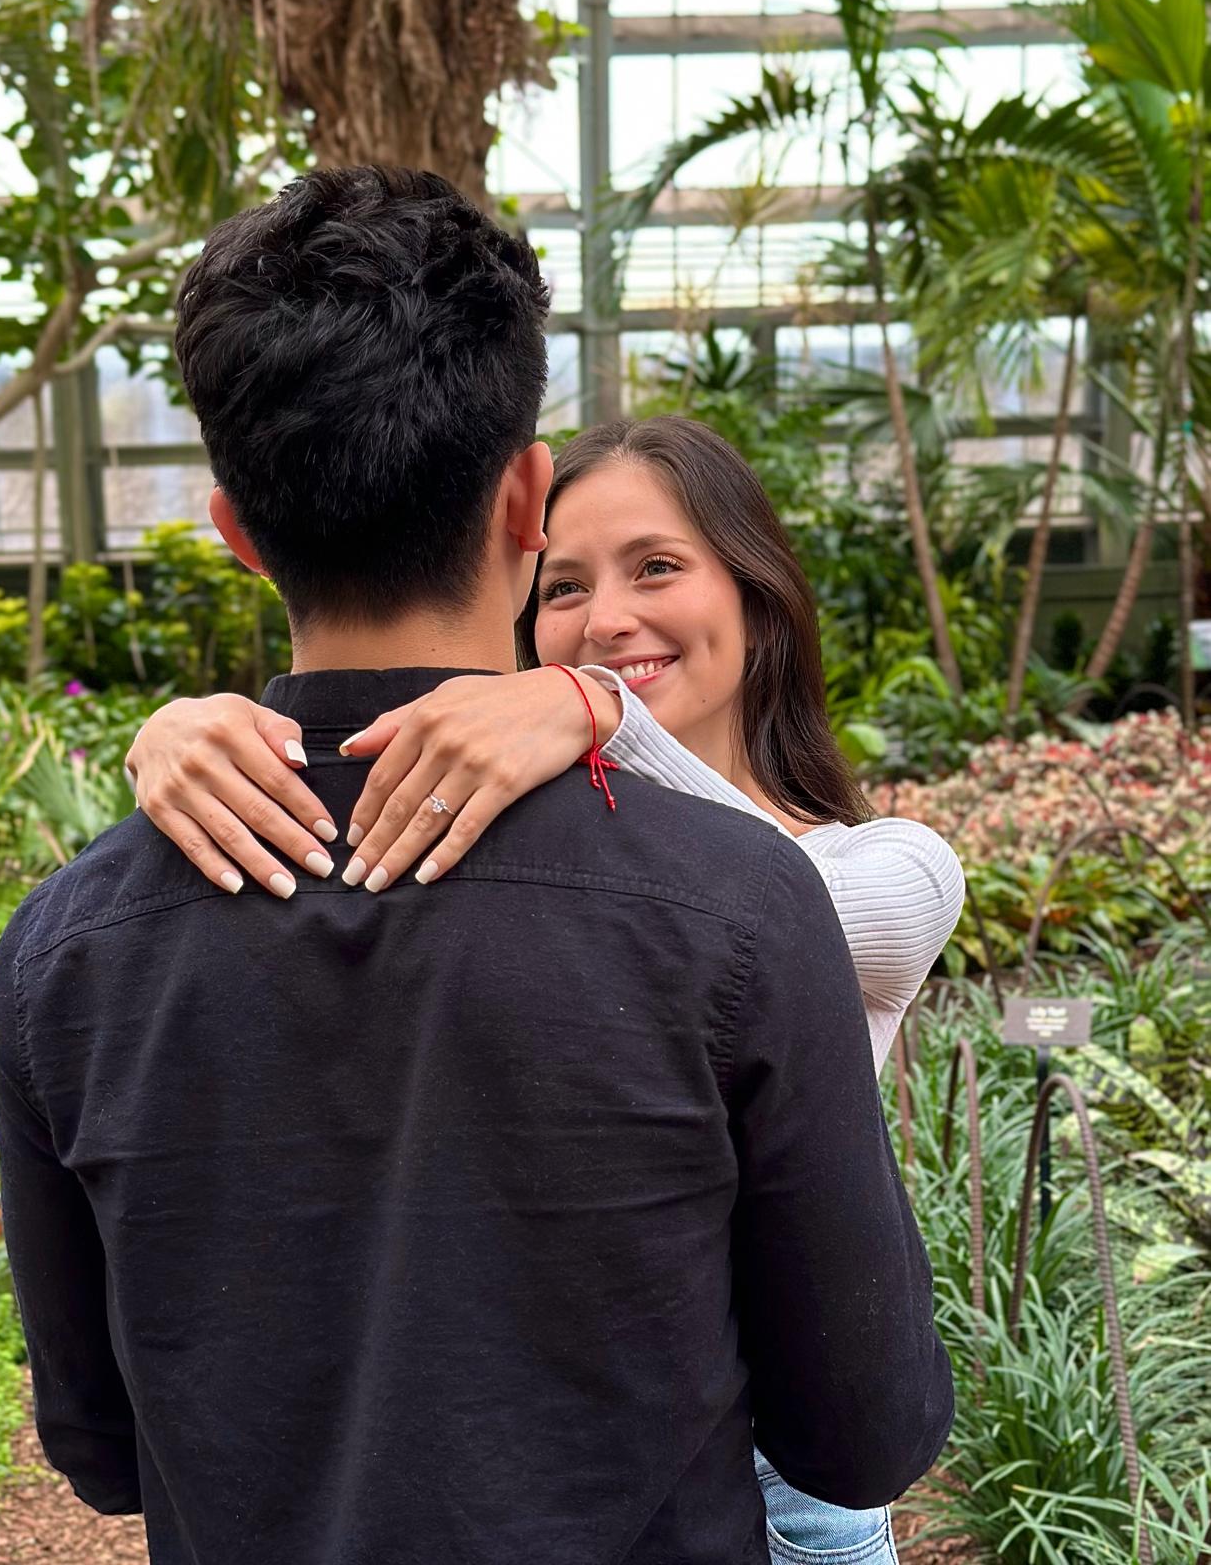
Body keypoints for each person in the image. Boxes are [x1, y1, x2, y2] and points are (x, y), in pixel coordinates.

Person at [0, 165, 953, 1565]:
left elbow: (97, 1452)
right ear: (524, 503)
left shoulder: (68, 948)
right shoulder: (736, 909)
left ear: (236, 533)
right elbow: (861, 1434)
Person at [128, 415, 966, 1564]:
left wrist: (602, 715)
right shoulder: (514, 851)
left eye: (657, 567)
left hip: (793, 1482)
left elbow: (771, 913)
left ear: (757, 592)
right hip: (567, 1428)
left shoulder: (891, 867)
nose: (607, 620)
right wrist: (186, 730)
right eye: (562, 586)